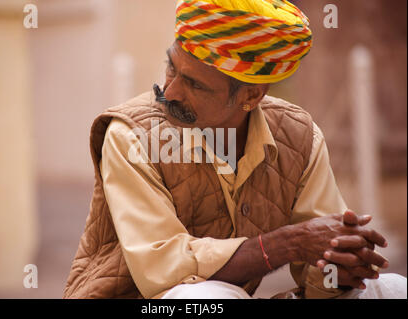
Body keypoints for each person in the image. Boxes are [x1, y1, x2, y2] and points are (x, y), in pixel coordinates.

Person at [63, 0, 407, 299]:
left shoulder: (298, 136)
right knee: (208, 296)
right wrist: (288, 244)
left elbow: (318, 273)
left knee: (391, 289)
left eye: (194, 83)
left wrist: (340, 266)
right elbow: (165, 271)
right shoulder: (130, 136)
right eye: (172, 68)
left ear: (251, 96)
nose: (171, 92)